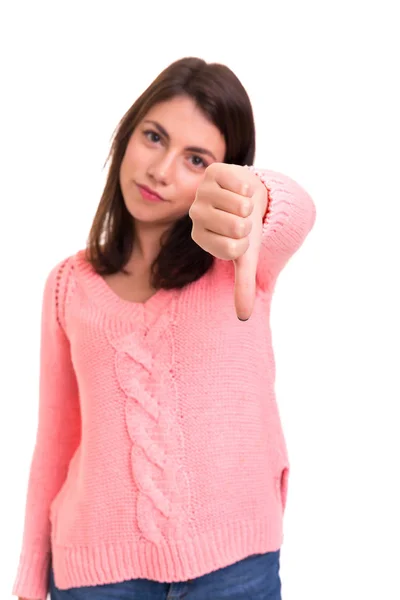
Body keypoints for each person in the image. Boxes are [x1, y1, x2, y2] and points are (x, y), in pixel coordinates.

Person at [12, 56, 316, 600]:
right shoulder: (68, 284)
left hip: (236, 567)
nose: (161, 169)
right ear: (127, 135)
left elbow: (294, 211)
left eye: (196, 160)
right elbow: (55, 445)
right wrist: (31, 581)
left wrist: (253, 199)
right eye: (154, 137)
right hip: (94, 574)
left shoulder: (240, 263)